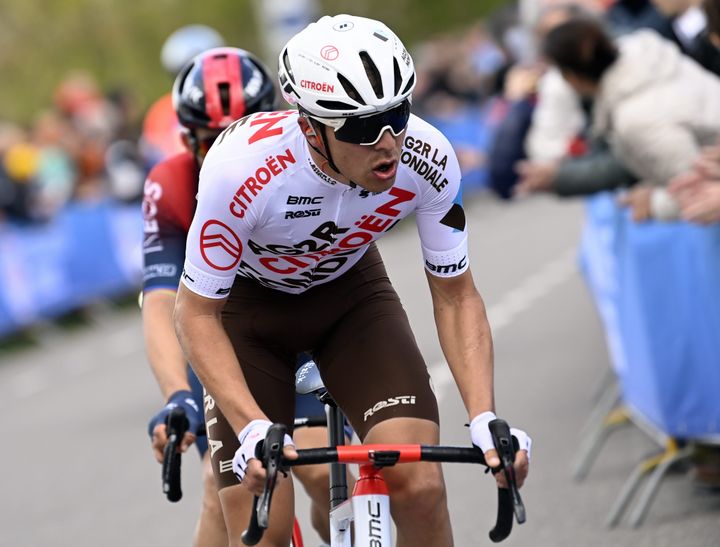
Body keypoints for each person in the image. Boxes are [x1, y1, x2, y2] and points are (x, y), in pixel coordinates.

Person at [173, 14, 531, 547]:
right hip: (248, 317)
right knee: (261, 527)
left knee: (420, 486)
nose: (388, 142)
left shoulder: (428, 157)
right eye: (363, 127)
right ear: (311, 127)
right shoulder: (237, 169)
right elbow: (194, 312)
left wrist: (484, 418)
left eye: (397, 114)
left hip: (350, 300)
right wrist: (249, 427)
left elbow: (456, 295)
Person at [142, 47, 342, 547]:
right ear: (188, 140)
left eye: (247, 129)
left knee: (324, 476)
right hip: (220, 331)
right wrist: (176, 395)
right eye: (213, 141)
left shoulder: (311, 168)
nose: (231, 149)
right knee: (223, 487)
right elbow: (163, 300)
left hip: (294, 323)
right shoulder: (170, 184)